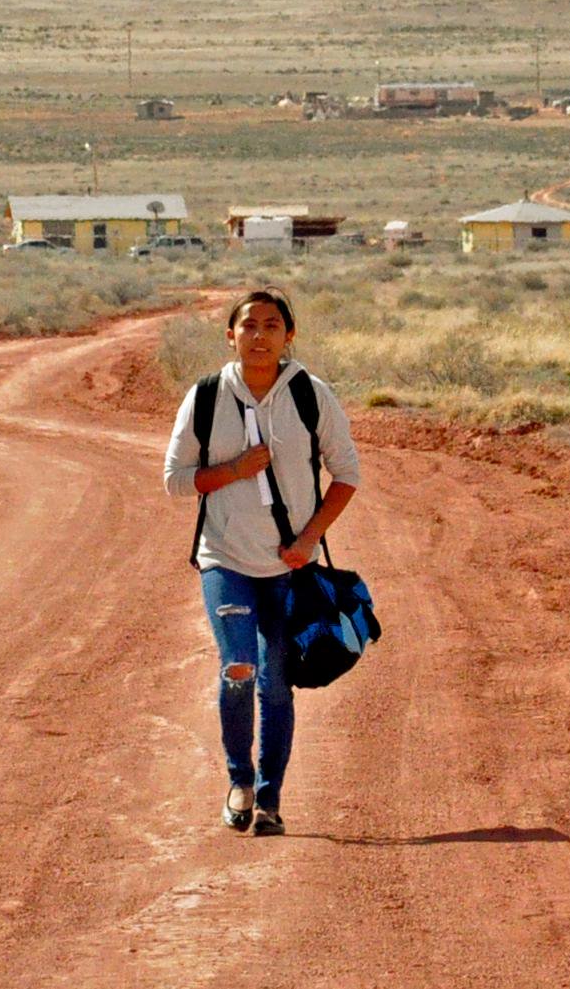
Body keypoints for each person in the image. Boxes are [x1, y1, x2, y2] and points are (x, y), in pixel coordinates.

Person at [161, 288, 361, 837]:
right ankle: (239, 781)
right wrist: (235, 469)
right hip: (224, 558)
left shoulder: (311, 395)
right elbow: (176, 480)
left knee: (276, 684)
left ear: (289, 335)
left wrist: (309, 540)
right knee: (238, 670)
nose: (259, 335)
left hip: (290, 566)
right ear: (230, 336)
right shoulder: (205, 397)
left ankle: (270, 799)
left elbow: (347, 475)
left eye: (272, 325)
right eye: (248, 325)